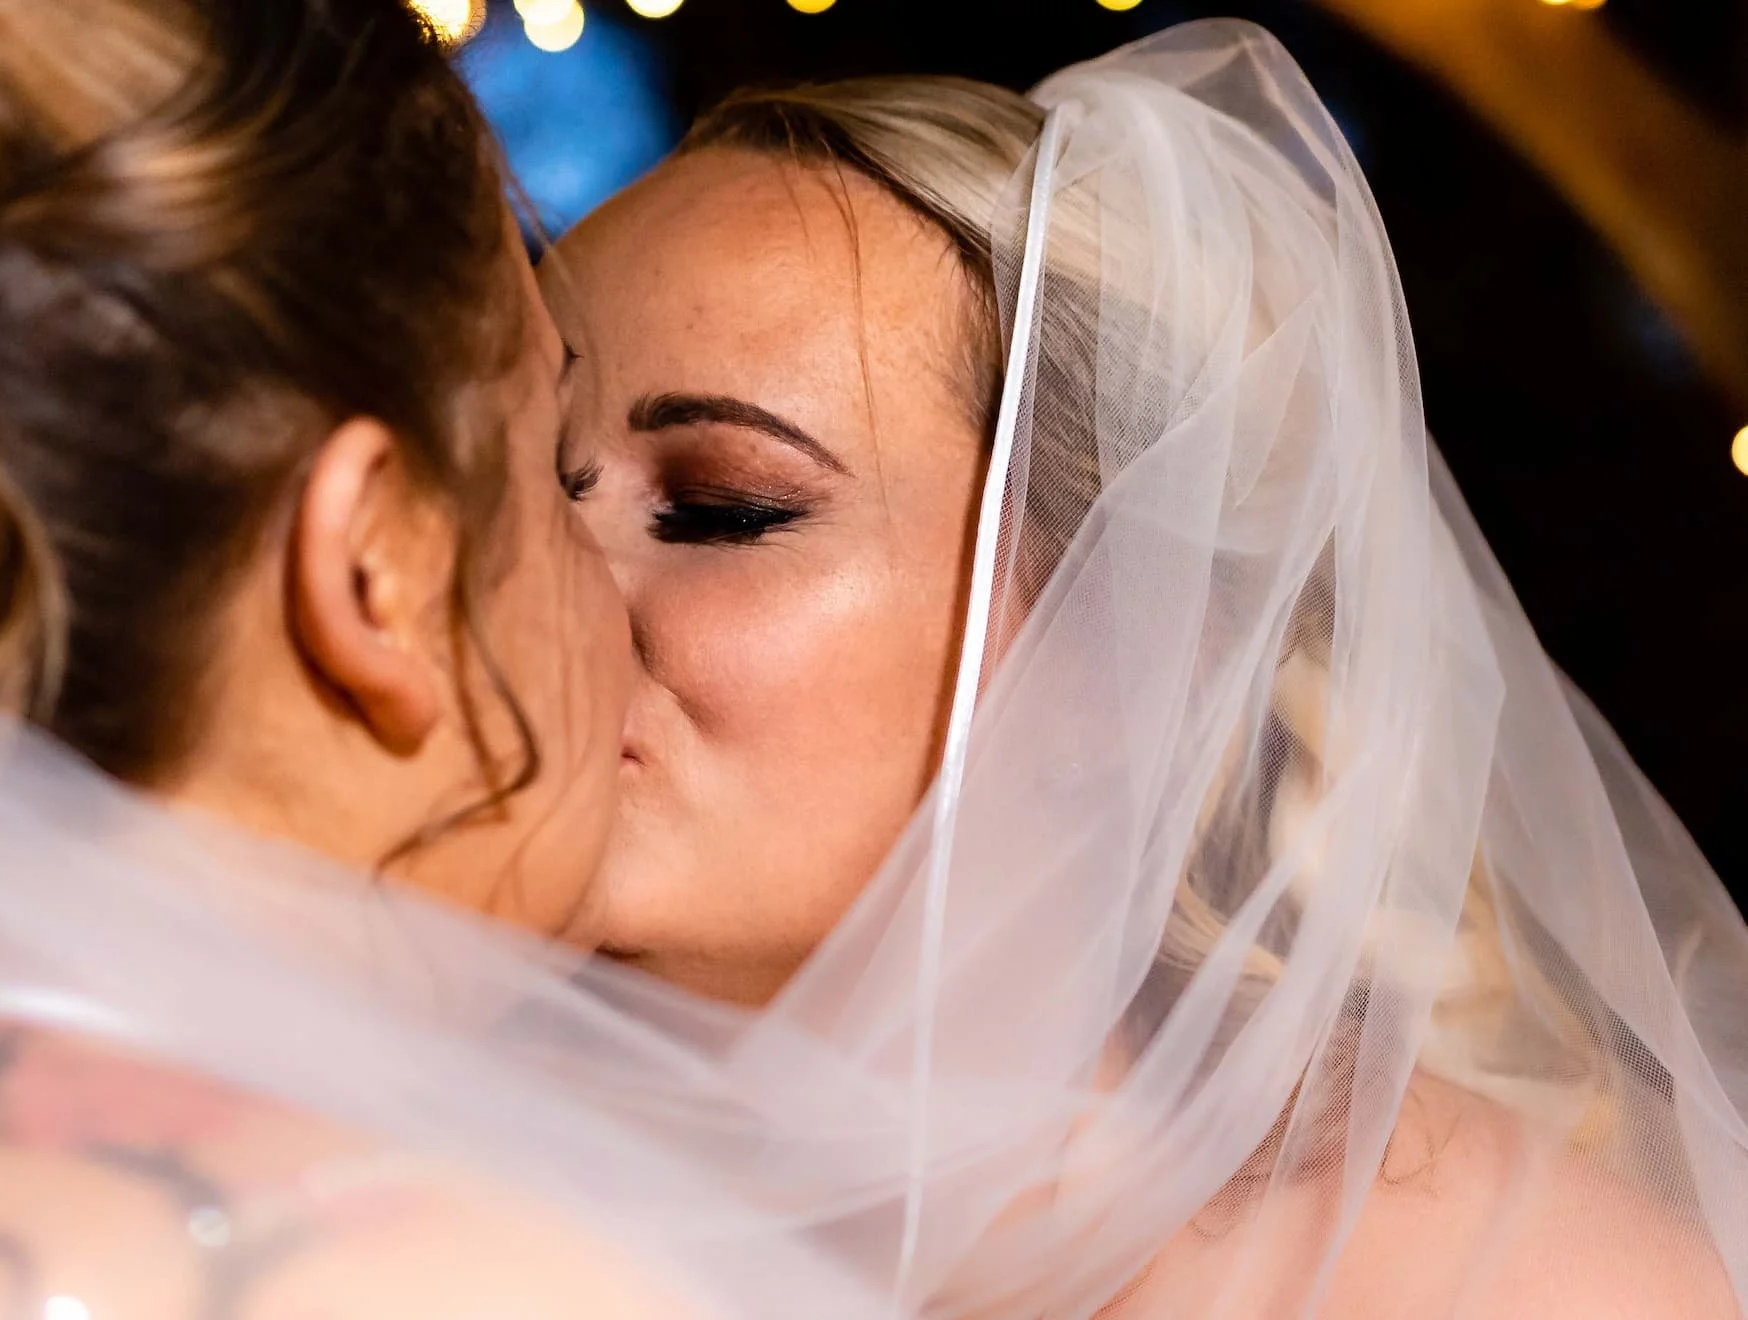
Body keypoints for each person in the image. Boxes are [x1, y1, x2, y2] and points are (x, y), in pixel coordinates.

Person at [550, 20, 1748, 1314]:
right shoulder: (431, 1186)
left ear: (1115, 649)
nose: (550, 588)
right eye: (523, 494)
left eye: (723, 510)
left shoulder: (1521, 1290)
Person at [0, 1, 884, 1315]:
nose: (612, 600)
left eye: (714, 512)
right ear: (378, 567)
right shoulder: (430, 1270)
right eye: (544, 470)